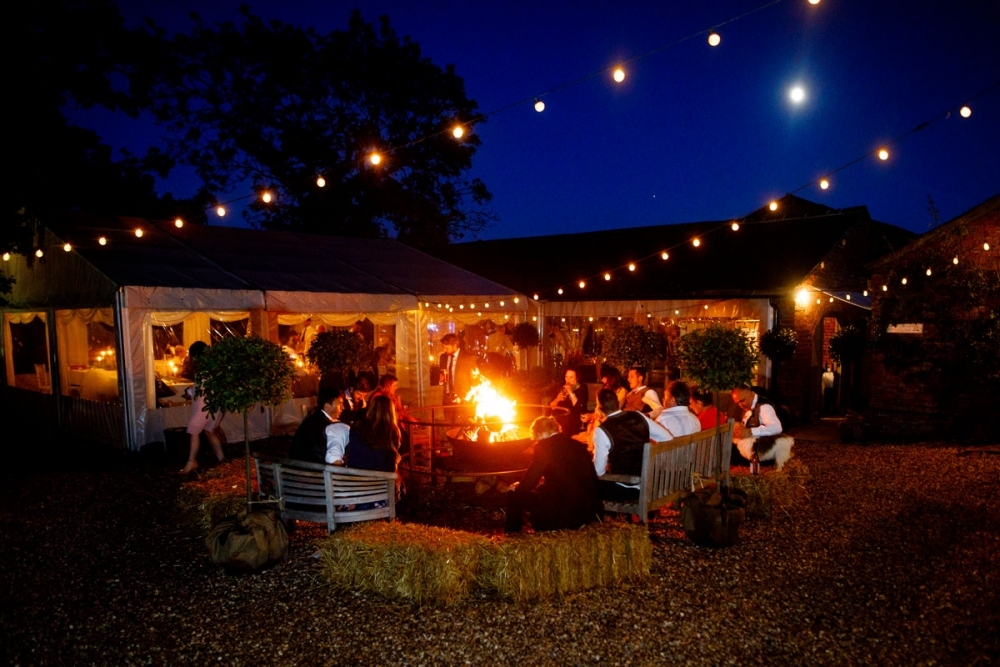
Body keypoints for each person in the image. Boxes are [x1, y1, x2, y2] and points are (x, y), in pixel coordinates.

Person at [504, 416, 604, 533]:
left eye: (536, 437)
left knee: (514, 495)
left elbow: (530, 482)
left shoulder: (544, 446)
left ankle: (512, 536)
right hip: (589, 510)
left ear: (540, 433)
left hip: (563, 512)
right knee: (542, 490)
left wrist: (516, 487)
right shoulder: (578, 445)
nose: (537, 440)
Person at [593, 388, 673, 501]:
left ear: (600, 409)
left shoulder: (602, 430)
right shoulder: (638, 416)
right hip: (649, 484)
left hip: (624, 487)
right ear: (617, 403)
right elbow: (667, 437)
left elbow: (598, 471)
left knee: (583, 482)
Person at [180, 341, 225, 474]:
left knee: (194, 431)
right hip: (214, 406)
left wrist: (189, 392)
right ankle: (222, 459)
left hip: (203, 406)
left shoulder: (204, 369)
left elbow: (201, 389)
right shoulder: (214, 367)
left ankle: (191, 462)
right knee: (209, 432)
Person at [731, 385, 793, 468]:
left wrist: (750, 431)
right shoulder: (748, 407)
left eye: (742, 401)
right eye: (737, 403)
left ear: (751, 394)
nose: (740, 405)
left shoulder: (764, 407)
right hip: (750, 447)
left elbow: (777, 428)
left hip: (762, 453)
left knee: (728, 451)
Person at [288, 387, 350, 465]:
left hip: (297, 470)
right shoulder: (329, 427)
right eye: (340, 403)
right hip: (316, 473)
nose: (343, 407)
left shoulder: (310, 420)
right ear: (327, 406)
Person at [345, 394, 401, 473]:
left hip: (356, 478)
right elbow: (390, 465)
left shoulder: (357, 427)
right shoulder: (392, 432)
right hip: (381, 482)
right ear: (391, 412)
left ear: (371, 408)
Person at [439, 332, 478, 402]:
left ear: (455, 345)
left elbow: (475, 379)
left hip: (463, 399)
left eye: (447, 348)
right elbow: (443, 375)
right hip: (447, 398)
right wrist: (442, 381)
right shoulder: (443, 357)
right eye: (443, 348)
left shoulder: (468, 358)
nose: (444, 350)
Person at [549, 367, 588, 434]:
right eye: (566, 377)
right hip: (560, 418)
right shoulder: (561, 388)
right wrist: (557, 399)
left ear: (577, 378)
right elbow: (551, 407)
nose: (568, 380)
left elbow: (579, 407)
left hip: (574, 419)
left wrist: (570, 392)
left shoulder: (582, 388)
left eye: (571, 377)